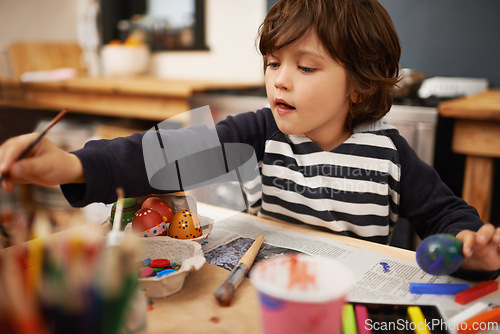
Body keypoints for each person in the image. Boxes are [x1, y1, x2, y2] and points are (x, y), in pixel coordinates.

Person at [0, 0, 499, 278]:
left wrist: (467, 245)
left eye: (304, 67)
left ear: (360, 86)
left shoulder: (390, 152)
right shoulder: (259, 130)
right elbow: (163, 155)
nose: (279, 80)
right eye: (272, 63)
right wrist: (70, 165)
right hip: (265, 292)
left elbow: (449, 216)